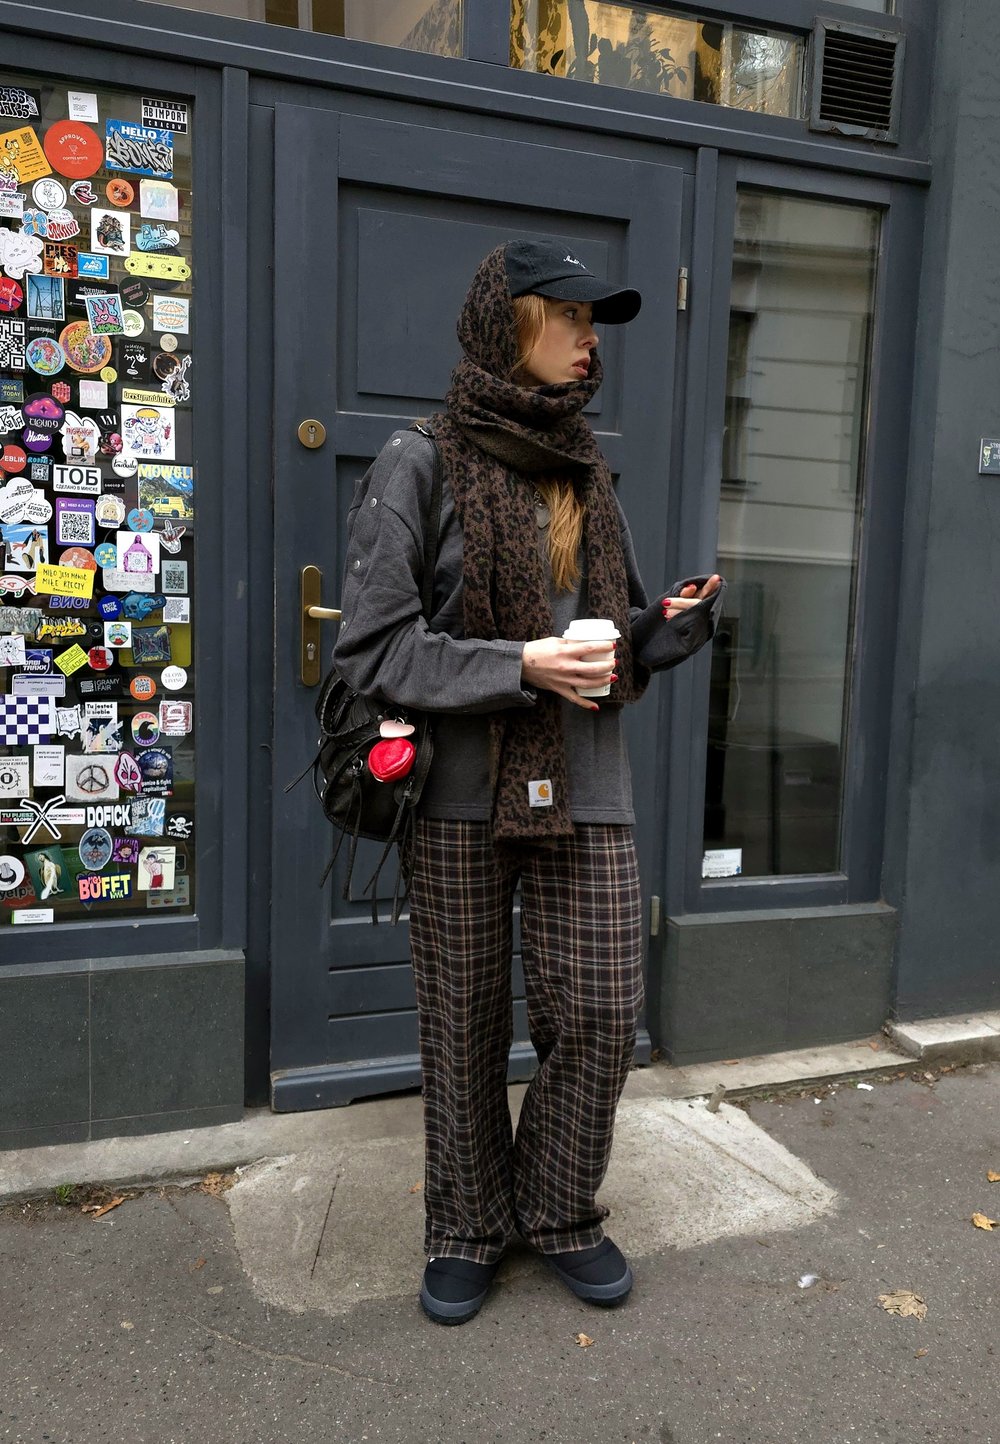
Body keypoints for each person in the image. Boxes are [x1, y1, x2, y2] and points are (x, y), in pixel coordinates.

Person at [334, 239, 723, 1326]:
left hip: (586, 785)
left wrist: (668, 628)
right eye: (575, 320)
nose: (593, 343)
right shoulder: (418, 459)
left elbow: (619, 637)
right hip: (459, 793)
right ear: (510, 324)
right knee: (460, 1023)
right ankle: (465, 1224)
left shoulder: (586, 471)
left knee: (602, 1014)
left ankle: (555, 1209)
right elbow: (370, 651)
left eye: (598, 325)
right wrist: (520, 665)